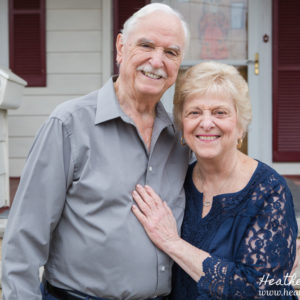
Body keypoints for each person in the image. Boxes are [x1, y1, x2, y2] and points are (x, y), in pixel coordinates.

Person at [2, 4, 192, 300]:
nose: (157, 61)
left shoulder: (181, 140)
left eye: (171, 52)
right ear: (120, 47)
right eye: (146, 45)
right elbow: (24, 237)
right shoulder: (68, 125)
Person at [132, 61, 299, 299]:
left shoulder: (269, 191)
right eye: (195, 112)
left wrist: (172, 242)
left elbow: (261, 290)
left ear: (240, 125)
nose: (206, 123)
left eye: (220, 112)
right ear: (182, 123)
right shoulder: (178, 181)